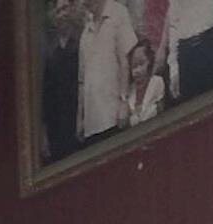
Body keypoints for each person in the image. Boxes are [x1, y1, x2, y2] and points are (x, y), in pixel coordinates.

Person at [78, 0, 140, 140]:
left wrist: (124, 102)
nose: (84, 3)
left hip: (114, 116)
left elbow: (127, 61)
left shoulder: (118, 13)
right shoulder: (85, 32)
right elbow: (82, 81)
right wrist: (80, 118)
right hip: (91, 124)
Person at [41, 0, 86, 160]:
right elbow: (45, 94)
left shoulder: (82, 41)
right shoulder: (49, 50)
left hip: (78, 118)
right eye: (58, 11)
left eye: (65, 9)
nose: (62, 14)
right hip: (56, 124)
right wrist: (43, 132)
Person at [125, 38, 169, 123]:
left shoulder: (157, 82)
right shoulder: (130, 92)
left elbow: (161, 111)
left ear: (149, 61)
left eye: (141, 64)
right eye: (134, 66)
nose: (137, 70)